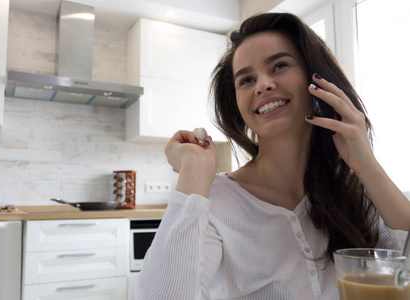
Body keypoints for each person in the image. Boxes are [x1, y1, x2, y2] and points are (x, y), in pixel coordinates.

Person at [131, 12, 410, 299]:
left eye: (279, 65)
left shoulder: (353, 191)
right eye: (246, 80)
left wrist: (368, 167)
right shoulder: (214, 200)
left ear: (317, 79)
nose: (262, 84)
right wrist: (193, 170)